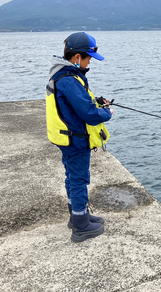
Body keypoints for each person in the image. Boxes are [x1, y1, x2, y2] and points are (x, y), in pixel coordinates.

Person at [45, 32, 113, 242]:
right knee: (78, 179)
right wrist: (106, 113)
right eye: (88, 57)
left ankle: (78, 215)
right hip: (75, 140)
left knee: (72, 176)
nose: (90, 61)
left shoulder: (64, 75)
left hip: (68, 138)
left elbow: (80, 102)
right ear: (77, 58)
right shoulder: (69, 80)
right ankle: (81, 226)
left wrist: (98, 100)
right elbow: (89, 114)